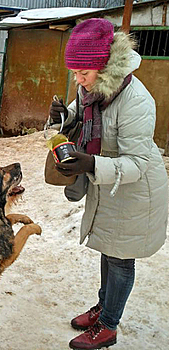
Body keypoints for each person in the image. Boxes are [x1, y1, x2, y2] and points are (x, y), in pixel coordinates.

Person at [48, 18, 168, 350]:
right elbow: (79, 117)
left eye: (83, 72)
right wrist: (62, 116)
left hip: (134, 192)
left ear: (104, 66)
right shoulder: (91, 88)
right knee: (108, 249)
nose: (78, 80)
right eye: (74, 72)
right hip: (110, 185)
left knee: (120, 259)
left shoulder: (136, 101)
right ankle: (104, 306)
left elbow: (140, 163)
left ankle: (109, 325)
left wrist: (91, 163)